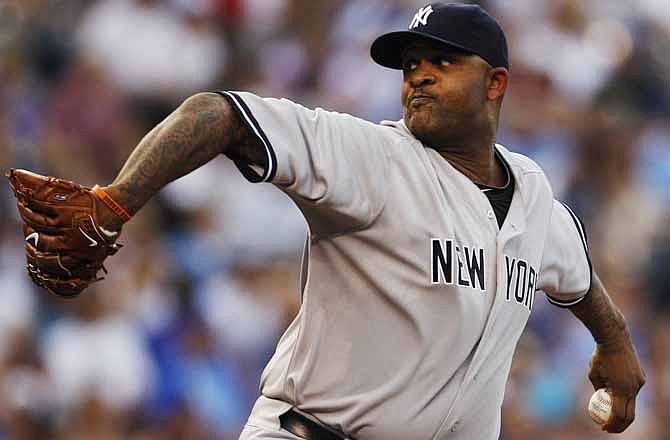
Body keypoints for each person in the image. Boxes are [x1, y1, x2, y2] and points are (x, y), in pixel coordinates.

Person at [15, 3, 646, 439]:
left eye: (443, 61)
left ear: (496, 83)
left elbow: (579, 278)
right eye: (410, 64)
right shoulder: (372, 158)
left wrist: (616, 346)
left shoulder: (535, 198)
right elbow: (221, 115)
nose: (418, 75)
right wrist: (118, 201)